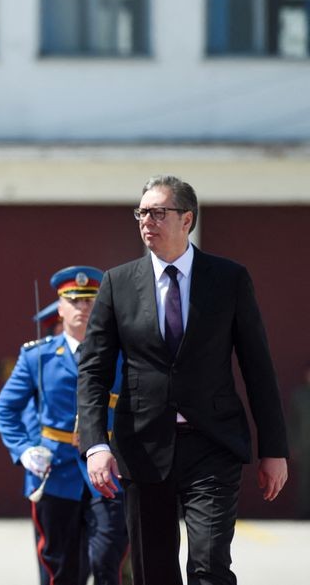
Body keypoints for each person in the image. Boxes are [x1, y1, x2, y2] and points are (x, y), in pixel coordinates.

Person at [78, 175, 289, 585]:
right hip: (142, 446)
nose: (146, 221)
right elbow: (94, 371)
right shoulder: (117, 283)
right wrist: (95, 445)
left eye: (158, 213)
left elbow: (258, 367)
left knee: (209, 565)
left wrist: (274, 449)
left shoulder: (228, 279)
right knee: (153, 571)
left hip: (213, 443)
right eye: (141, 213)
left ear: (187, 219)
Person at [0, 266, 129, 585]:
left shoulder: (120, 354)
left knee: (107, 558)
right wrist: (25, 450)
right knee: (62, 566)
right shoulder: (37, 356)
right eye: (74, 301)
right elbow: (6, 408)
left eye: (89, 301)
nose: (82, 308)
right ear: (60, 308)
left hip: (108, 470)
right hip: (55, 472)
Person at [289, 362, 310, 519]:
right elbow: (292, 423)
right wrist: (293, 445)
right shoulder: (299, 396)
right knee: (304, 481)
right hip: (304, 446)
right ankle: (304, 511)